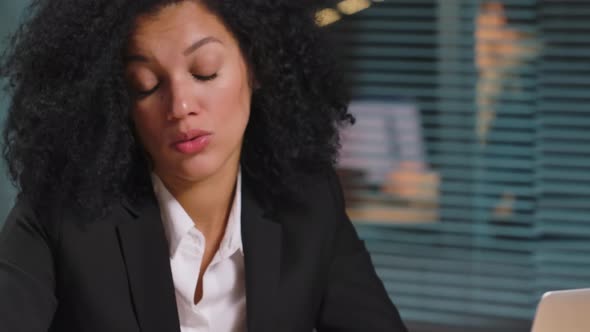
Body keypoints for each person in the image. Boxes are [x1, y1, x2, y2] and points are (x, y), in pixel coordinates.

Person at [0, 0, 408, 331]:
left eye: (205, 72)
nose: (180, 107)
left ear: (258, 66)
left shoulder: (309, 203)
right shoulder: (57, 217)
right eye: (146, 85)